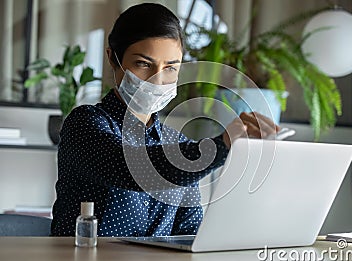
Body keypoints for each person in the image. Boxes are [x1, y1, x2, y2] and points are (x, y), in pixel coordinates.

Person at [51, 3, 278, 237]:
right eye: (143, 64)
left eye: (170, 68)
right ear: (112, 58)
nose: (157, 80)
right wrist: (221, 145)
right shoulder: (84, 124)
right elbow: (131, 168)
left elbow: (189, 233)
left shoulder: (177, 142)